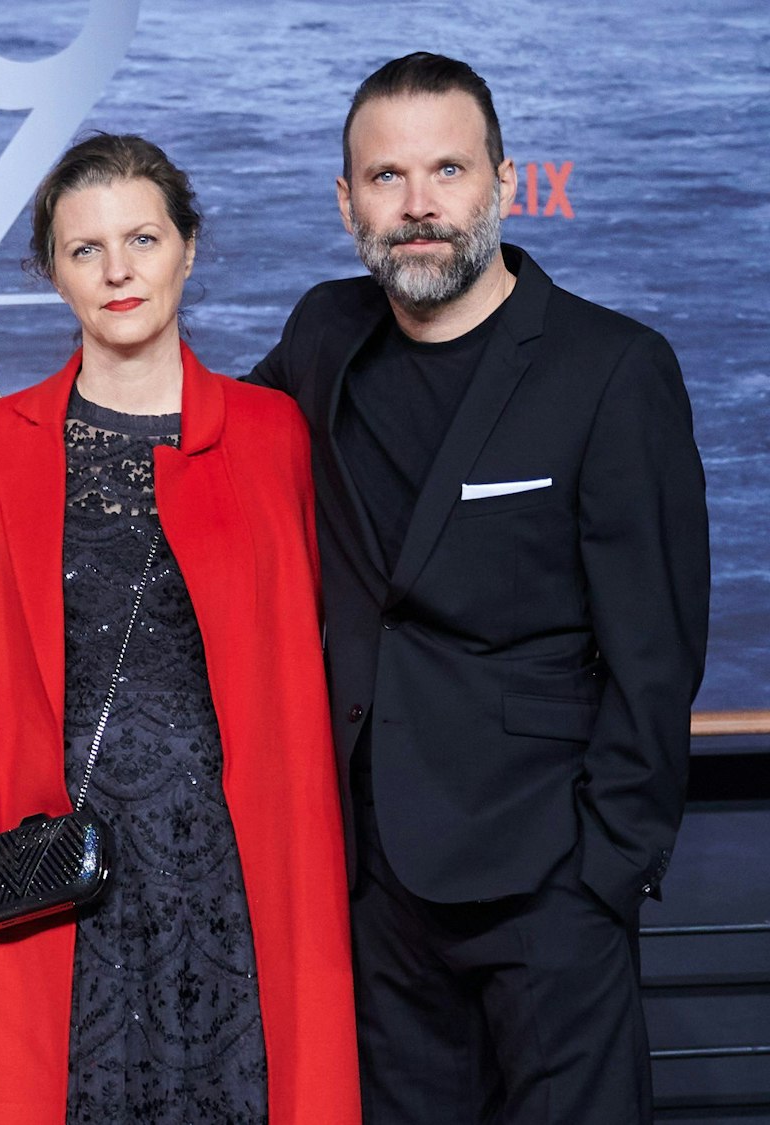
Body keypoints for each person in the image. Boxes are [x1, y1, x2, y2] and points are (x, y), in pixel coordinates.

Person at [248, 53, 709, 1123]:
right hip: (369, 881)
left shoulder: (610, 368)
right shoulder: (321, 336)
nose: (417, 206)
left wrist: (604, 872)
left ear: (503, 181)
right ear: (344, 199)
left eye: (446, 170)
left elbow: (655, 650)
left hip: (545, 875)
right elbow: (213, 454)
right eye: (384, 177)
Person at [0, 134, 360, 1123]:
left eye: (141, 237)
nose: (117, 269)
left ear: (186, 249)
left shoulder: (269, 436)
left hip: (231, 861)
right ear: (49, 271)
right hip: (62, 867)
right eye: (83, 248)